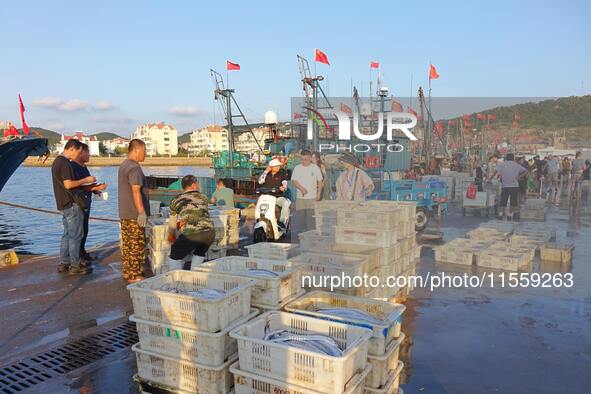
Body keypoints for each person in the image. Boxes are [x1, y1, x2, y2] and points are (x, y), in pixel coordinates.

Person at [51, 139, 100, 275]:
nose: (78, 155)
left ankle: (64, 262)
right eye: (78, 152)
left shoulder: (57, 162)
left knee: (67, 234)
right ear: (72, 149)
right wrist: (86, 180)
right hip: (71, 203)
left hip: (62, 203)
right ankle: (75, 264)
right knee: (76, 235)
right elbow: (68, 184)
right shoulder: (65, 163)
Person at [118, 139, 150, 283]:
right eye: (144, 151)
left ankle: (128, 271)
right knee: (136, 245)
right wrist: (141, 212)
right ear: (136, 150)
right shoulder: (134, 168)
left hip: (125, 212)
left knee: (128, 244)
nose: (146, 154)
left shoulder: (124, 165)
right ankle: (134, 275)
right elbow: (136, 191)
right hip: (134, 214)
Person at [168, 175, 215, 269]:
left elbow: (172, 221)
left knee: (174, 254)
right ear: (193, 185)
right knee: (199, 253)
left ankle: (174, 280)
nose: (198, 185)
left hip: (192, 233)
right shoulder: (203, 197)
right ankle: (195, 277)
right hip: (210, 232)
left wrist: (171, 235)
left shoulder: (176, 199)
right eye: (198, 183)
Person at [70, 143, 107, 262]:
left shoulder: (84, 167)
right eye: (87, 153)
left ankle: (82, 252)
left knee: (84, 229)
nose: (89, 155)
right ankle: (77, 258)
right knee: (78, 231)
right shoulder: (73, 166)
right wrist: (94, 188)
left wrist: (96, 189)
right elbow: (77, 186)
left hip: (86, 201)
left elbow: (86, 185)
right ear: (81, 152)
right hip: (78, 202)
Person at [291, 150, 323, 233]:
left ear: (310, 159)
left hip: (312, 198)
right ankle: (302, 238)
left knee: (311, 220)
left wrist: (318, 194)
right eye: (302, 159)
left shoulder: (315, 168)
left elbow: (320, 181)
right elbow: (294, 181)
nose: (303, 161)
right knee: (300, 220)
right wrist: (301, 188)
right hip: (300, 199)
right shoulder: (297, 168)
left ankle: (311, 238)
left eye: (306, 159)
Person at [490, 153, 528, 220]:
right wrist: (519, 177)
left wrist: (490, 179)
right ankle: (509, 215)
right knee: (513, 202)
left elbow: (495, 172)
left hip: (505, 186)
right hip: (515, 186)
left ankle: (500, 215)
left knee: (503, 202)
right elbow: (526, 171)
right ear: (513, 158)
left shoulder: (502, 164)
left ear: (506, 158)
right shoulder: (517, 165)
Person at [257, 158, 291, 228]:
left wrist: (284, 187)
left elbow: (284, 182)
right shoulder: (266, 174)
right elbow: (260, 181)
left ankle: (281, 222)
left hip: (277, 197)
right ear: (270, 167)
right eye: (275, 166)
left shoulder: (282, 174)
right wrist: (266, 171)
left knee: (285, 203)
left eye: (278, 166)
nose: (277, 167)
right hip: (266, 197)